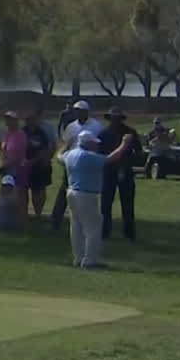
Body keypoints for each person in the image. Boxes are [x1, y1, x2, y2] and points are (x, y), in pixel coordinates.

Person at [59, 131, 135, 268]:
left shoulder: (71, 154)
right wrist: (124, 144)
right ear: (87, 143)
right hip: (86, 195)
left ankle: (78, 258)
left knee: (76, 227)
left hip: (71, 192)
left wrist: (65, 145)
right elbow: (111, 158)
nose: (96, 146)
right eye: (94, 143)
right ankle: (90, 261)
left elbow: (59, 156)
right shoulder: (88, 156)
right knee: (93, 228)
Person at [50, 101, 103, 230]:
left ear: (86, 112)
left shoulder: (95, 126)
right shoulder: (71, 127)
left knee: (86, 192)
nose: (78, 113)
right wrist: (64, 157)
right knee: (65, 189)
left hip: (89, 161)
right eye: (76, 110)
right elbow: (67, 145)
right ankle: (55, 221)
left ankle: (85, 220)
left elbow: (99, 144)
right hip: (73, 160)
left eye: (80, 110)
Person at [97, 107, 141, 241]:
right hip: (108, 171)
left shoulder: (130, 133)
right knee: (105, 204)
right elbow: (100, 153)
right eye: (113, 118)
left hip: (125, 171)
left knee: (127, 204)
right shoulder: (103, 133)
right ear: (110, 118)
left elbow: (138, 153)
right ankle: (104, 232)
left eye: (117, 118)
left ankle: (129, 233)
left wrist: (127, 163)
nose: (115, 120)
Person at [22, 110, 55, 221]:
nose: (28, 122)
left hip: (39, 166)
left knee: (38, 191)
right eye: (26, 120)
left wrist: (33, 161)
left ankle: (38, 213)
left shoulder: (41, 133)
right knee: (23, 190)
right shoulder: (22, 132)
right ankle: (24, 213)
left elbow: (44, 149)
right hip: (24, 166)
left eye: (31, 119)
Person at [0, 111, 29, 196]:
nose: (8, 122)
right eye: (7, 119)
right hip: (5, 167)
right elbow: (3, 149)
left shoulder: (21, 134)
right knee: (5, 191)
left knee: (16, 191)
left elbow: (20, 153)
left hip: (17, 168)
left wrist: (9, 164)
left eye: (11, 120)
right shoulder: (4, 133)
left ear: (16, 121)